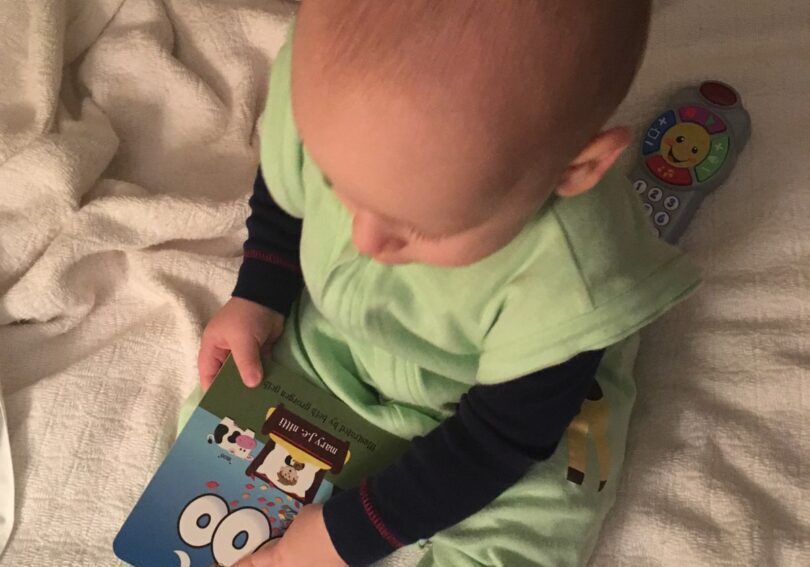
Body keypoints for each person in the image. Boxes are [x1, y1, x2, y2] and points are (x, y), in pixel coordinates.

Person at [193, 1, 700, 565]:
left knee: (538, 525)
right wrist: (259, 290)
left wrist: (347, 535)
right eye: (338, 184)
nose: (366, 243)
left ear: (574, 171)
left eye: (416, 226)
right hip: (339, 339)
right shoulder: (327, 92)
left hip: (512, 398)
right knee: (218, 423)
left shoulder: (568, 278)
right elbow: (282, 189)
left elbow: (499, 443)